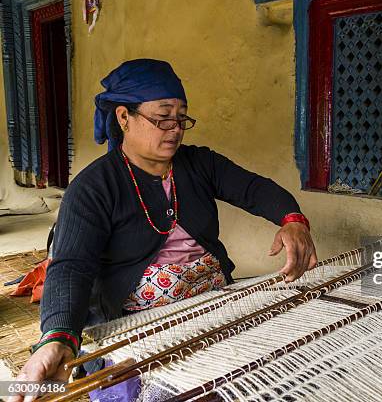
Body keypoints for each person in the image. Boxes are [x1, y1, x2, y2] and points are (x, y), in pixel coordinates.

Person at [9, 59, 316, 402]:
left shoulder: (199, 163)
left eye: (181, 116)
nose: (175, 128)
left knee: (289, 370)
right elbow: (71, 267)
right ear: (124, 117)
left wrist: (293, 220)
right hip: (138, 325)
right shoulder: (94, 187)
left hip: (212, 305)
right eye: (162, 116)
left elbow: (255, 189)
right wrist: (58, 337)